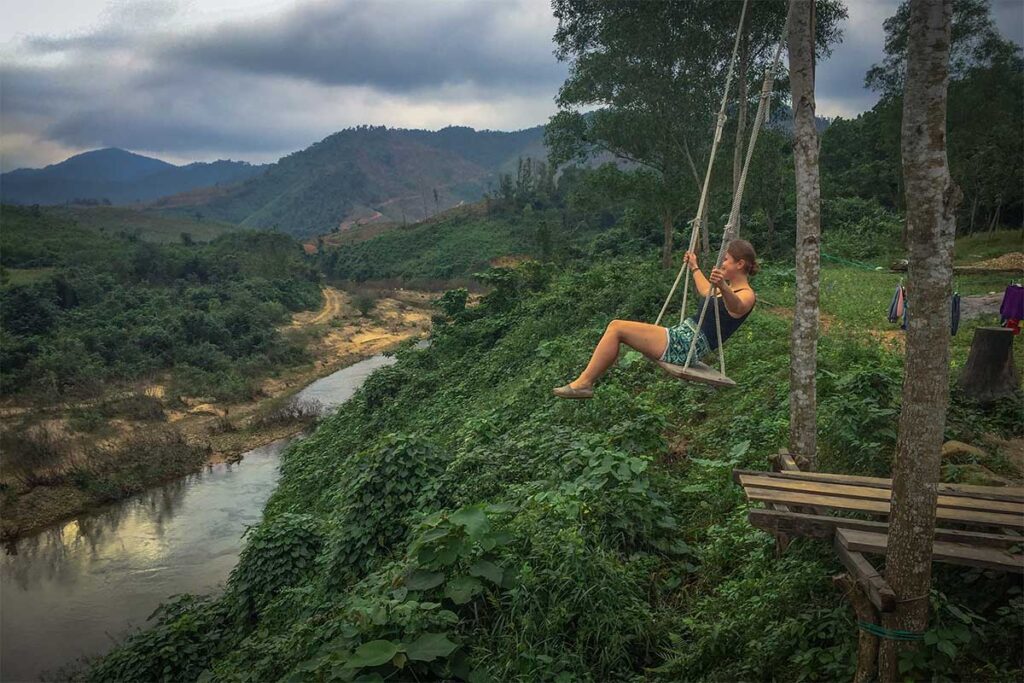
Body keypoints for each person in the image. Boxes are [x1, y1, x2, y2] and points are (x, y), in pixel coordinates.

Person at [553, 239, 758, 398]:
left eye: (726, 259)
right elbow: (706, 290)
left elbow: (737, 307)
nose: (722, 263)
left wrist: (722, 286)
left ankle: (584, 384)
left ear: (740, 264)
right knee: (616, 327)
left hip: (687, 346)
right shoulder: (727, 289)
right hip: (682, 335)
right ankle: (586, 382)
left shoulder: (746, 294)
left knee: (616, 328)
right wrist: (694, 266)